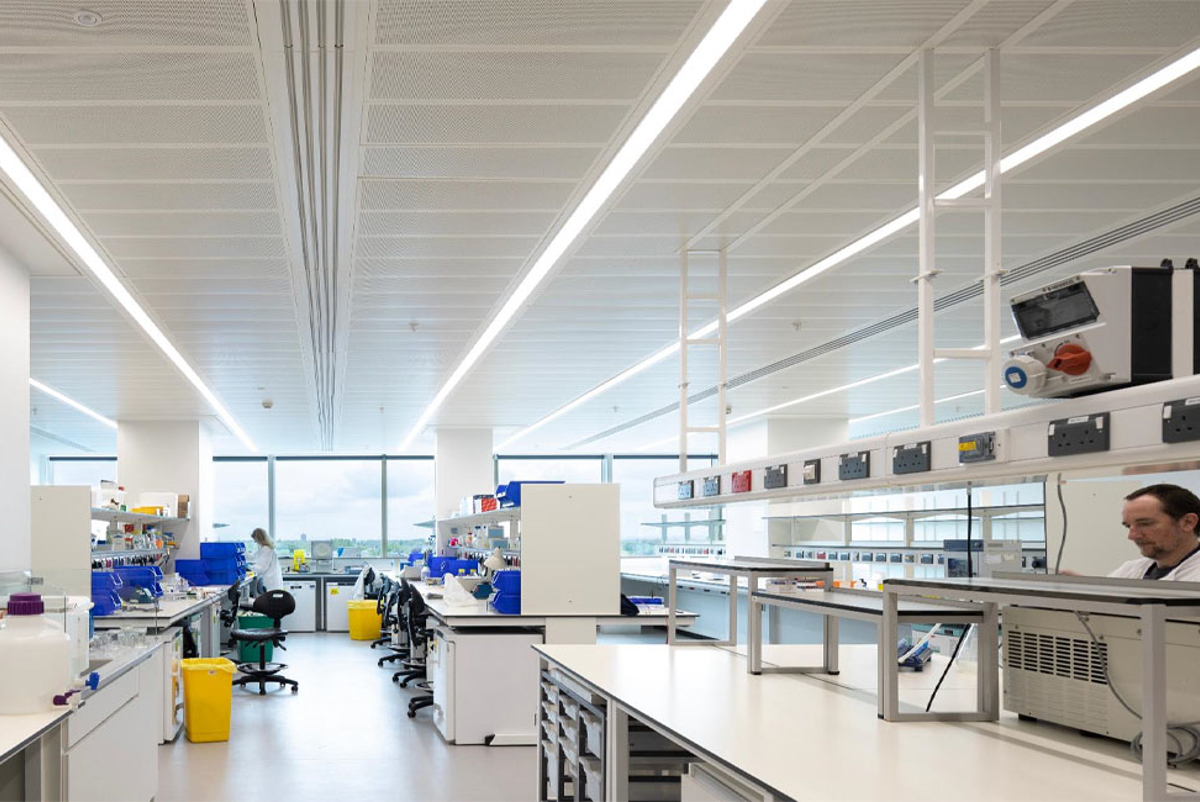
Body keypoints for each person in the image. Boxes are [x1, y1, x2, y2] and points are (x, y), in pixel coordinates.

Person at [1110, 484, 1200, 581]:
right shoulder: (1129, 570)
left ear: (1188, 522)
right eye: (1128, 526)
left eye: (1145, 524)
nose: (1132, 536)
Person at [250, 527, 283, 592]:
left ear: (259, 539)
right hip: (273, 583)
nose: (255, 543)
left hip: (271, 584)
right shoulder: (266, 548)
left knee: (271, 601)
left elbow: (261, 569)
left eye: (256, 541)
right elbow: (253, 557)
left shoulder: (266, 550)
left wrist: (248, 566)